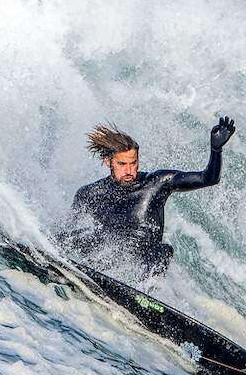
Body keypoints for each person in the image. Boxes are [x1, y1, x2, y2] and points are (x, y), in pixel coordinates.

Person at [62, 116, 236, 277]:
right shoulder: (90, 194)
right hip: (108, 263)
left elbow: (208, 178)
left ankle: (144, 294)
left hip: (142, 267)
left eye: (133, 163)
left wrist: (216, 149)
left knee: (163, 251)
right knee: (78, 235)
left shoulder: (157, 182)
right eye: (122, 164)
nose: (129, 171)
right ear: (108, 162)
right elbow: (69, 226)